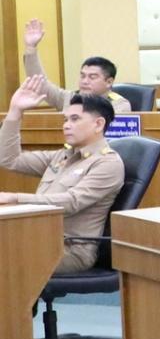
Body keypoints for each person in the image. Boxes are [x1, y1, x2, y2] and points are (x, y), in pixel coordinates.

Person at [1, 81, 126, 273]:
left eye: (75, 119)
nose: (66, 125)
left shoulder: (107, 163)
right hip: (37, 238)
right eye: (65, 120)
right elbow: (9, 159)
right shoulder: (63, 156)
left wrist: (15, 198)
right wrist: (15, 112)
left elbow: (71, 202)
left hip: (69, 249)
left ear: (98, 124)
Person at [21, 20, 131, 113]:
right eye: (82, 76)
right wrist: (31, 48)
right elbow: (41, 85)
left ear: (109, 82)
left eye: (92, 77)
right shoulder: (69, 98)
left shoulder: (119, 105)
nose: (85, 81)